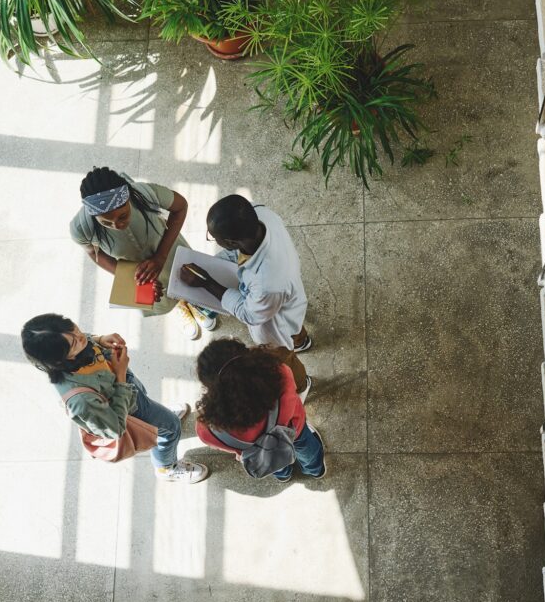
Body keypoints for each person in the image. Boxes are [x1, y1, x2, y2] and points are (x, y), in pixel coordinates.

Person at [21, 313, 208, 483]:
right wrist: (120, 374)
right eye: (74, 343)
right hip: (128, 408)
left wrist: (99, 340)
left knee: (149, 404)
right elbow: (116, 428)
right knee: (172, 426)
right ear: (59, 360)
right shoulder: (81, 401)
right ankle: (166, 467)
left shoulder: (72, 345)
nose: (81, 337)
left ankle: (158, 420)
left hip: (130, 392)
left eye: (74, 328)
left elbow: (81, 338)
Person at [179, 195, 312, 397]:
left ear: (231, 242)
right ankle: (301, 341)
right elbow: (239, 256)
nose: (215, 240)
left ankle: (301, 384)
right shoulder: (263, 215)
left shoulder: (268, 284)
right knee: (293, 325)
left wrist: (206, 283)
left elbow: (248, 313)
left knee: (282, 358)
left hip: (273, 323)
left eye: (216, 238)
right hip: (289, 300)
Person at [71, 166, 218, 340]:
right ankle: (179, 306)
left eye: (123, 216)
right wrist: (134, 278)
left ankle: (192, 300)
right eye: (106, 223)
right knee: (162, 298)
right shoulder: (80, 228)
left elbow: (180, 207)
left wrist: (161, 256)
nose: (117, 225)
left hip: (169, 250)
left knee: (187, 276)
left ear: (128, 199)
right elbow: (94, 254)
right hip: (136, 270)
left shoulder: (144, 193)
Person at [194, 338, 326, 483]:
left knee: (270, 457)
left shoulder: (208, 430)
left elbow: (224, 445)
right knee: (305, 446)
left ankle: (283, 475)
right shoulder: (280, 374)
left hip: (257, 450)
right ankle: (315, 470)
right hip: (293, 429)